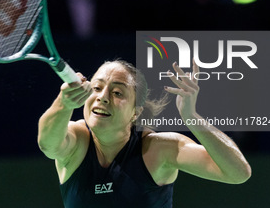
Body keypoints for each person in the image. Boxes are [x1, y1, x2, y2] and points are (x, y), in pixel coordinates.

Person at [37, 59, 251, 208]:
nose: (103, 97)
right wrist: (63, 104)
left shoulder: (159, 149)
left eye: (117, 92)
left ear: (135, 113)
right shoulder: (77, 139)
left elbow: (238, 173)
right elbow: (48, 144)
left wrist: (192, 117)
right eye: (97, 87)